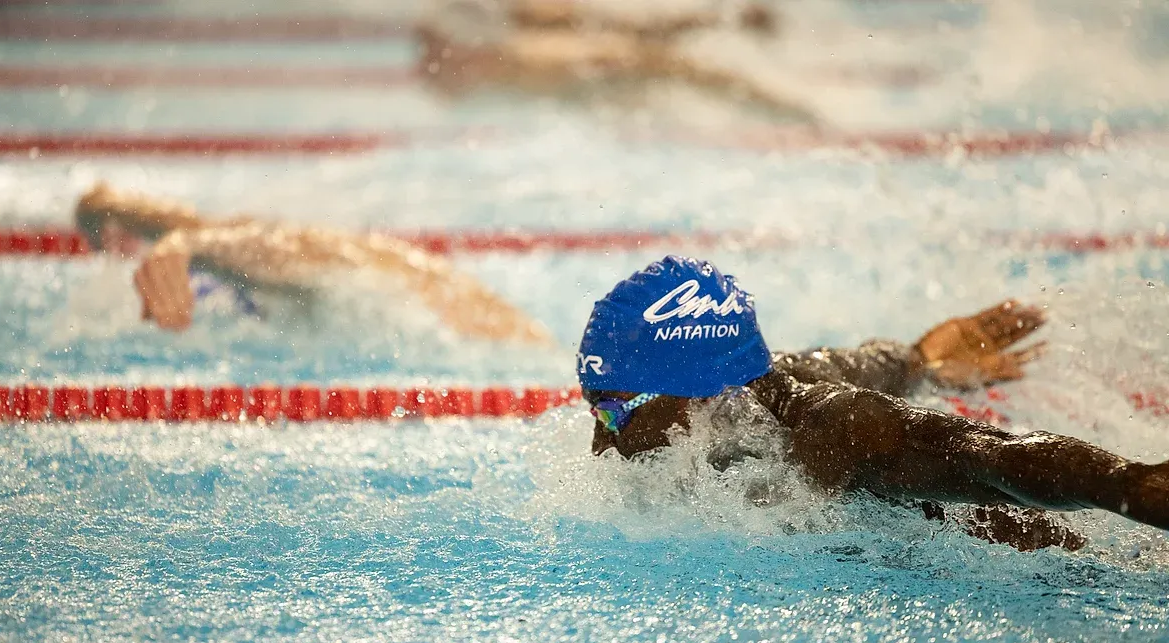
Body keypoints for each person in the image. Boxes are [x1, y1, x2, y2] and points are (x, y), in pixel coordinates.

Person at [577, 255, 1169, 551]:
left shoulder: (831, 428)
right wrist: (926, 360)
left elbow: (988, 456)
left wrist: (1134, 486)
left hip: (1078, 564)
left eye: (614, 411)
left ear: (702, 394)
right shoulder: (764, 384)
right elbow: (877, 361)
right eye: (595, 406)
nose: (603, 438)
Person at [74, 182, 553, 345]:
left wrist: (182, 244)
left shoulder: (257, 243)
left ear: (122, 241)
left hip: (489, 337)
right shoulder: (236, 256)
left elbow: (273, 246)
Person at [415, 0, 805, 115]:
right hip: (565, 71)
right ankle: (791, 109)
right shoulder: (530, 48)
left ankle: (790, 108)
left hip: (558, 68)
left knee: (651, 55)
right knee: (658, 60)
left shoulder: (522, 37)